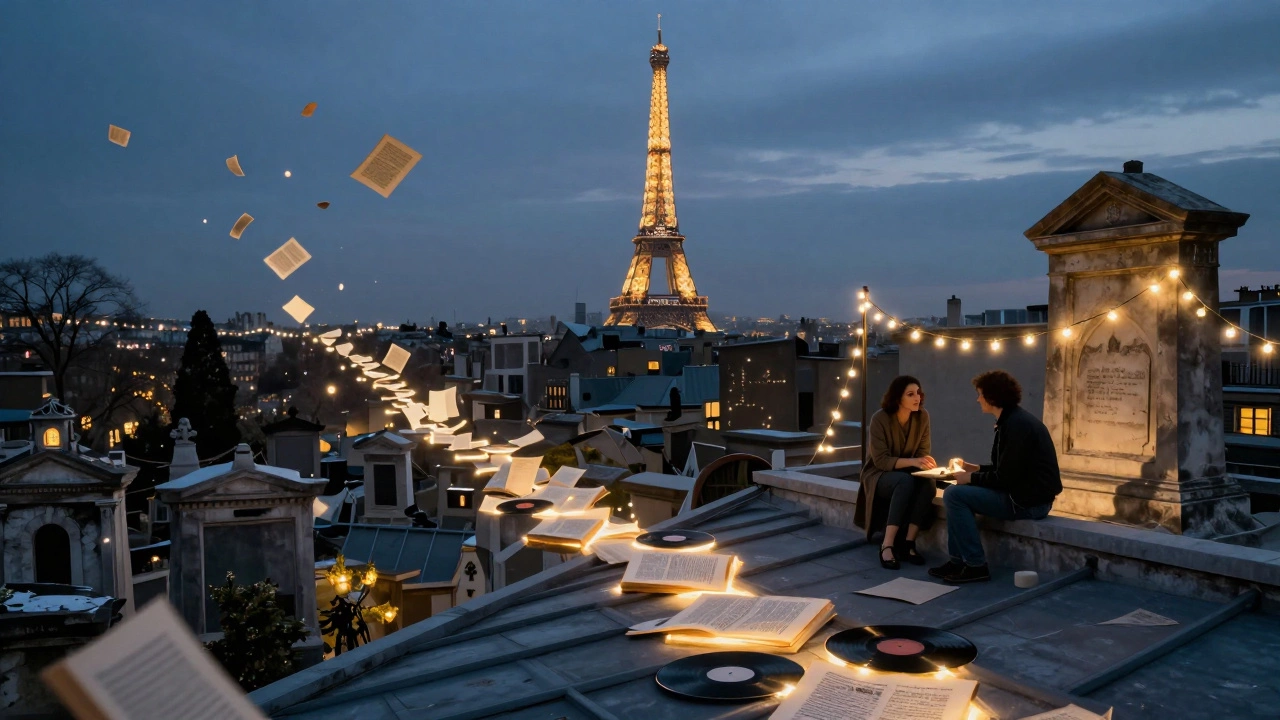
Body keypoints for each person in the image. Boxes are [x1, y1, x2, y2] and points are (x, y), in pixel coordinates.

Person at [929, 370, 1061, 584]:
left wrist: (969, 478)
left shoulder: (1016, 426)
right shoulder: (1013, 420)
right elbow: (1007, 468)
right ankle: (958, 561)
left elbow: (1005, 478)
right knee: (955, 492)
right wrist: (974, 468)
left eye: (980, 394)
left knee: (954, 495)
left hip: (1027, 502)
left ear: (992, 397)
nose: (977, 399)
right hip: (1022, 495)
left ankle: (975, 565)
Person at [854, 375, 937, 570]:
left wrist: (925, 463)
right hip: (878, 474)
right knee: (904, 482)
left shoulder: (922, 416)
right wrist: (913, 461)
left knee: (928, 484)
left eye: (918, 393)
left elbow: (922, 453)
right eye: (910, 394)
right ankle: (887, 545)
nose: (917, 398)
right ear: (898, 397)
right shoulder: (879, 419)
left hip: (908, 471)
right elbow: (881, 460)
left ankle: (909, 543)